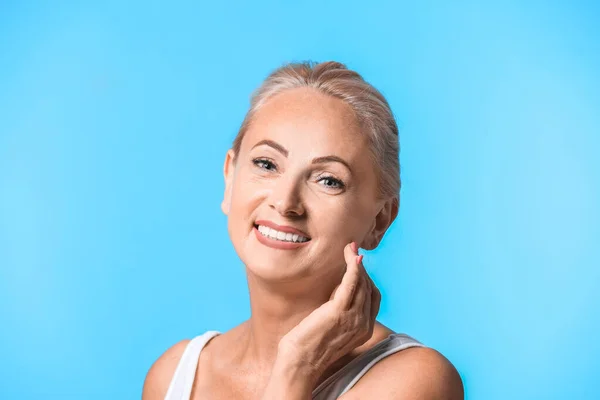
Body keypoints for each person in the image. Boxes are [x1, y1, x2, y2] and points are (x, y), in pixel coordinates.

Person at [142, 61, 463, 399]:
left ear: (380, 220)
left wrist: (299, 366)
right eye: (266, 164)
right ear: (229, 177)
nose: (285, 202)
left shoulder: (412, 382)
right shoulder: (175, 374)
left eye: (328, 180)